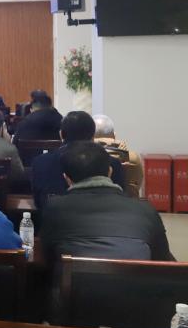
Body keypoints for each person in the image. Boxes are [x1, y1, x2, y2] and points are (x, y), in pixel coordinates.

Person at [41, 141, 172, 266]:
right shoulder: (145, 210)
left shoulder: (55, 208)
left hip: (74, 282)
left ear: (67, 179)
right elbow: (163, 262)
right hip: (135, 282)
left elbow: (47, 257)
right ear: (110, 172)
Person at [31, 111, 126, 211]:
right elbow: (119, 198)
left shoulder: (41, 162)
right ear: (93, 135)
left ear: (61, 134)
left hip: (52, 217)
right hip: (104, 217)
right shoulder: (112, 163)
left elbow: (39, 202)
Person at [93, 114, 144, 198]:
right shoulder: (132, 158)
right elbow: (136, 186)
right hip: (126, 203)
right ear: (114, 135)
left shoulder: (84, 158)